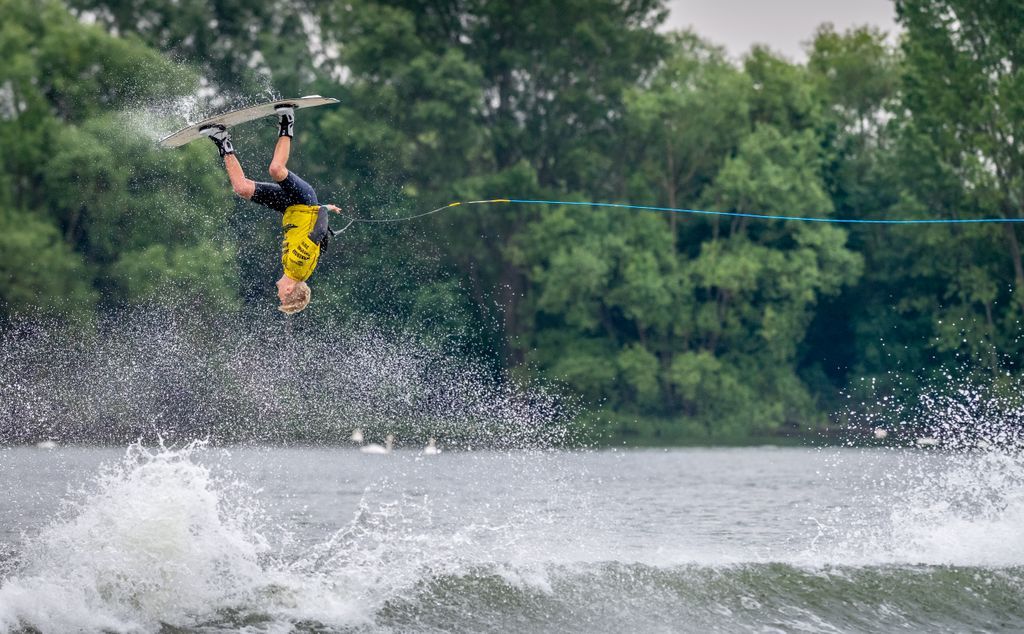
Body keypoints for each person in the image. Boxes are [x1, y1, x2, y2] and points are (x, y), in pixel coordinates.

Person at [200, 105, 344, 314]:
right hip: (304, 202)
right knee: (276, 169)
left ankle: (222, 139)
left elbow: (319, 244)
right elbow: (318, 233)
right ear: (289, 290)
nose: (277, 294)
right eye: (282, 297)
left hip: (291, 209)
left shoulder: (293, 270)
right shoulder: (297, 266)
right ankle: (287, 120)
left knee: (242, 188)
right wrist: (322, 209)